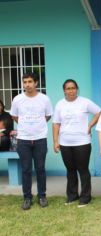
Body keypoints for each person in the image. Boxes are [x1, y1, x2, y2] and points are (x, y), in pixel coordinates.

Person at [52, 79, 101, 207]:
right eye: (68, 88)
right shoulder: (60, 104)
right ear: (64, 91)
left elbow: (99, 112)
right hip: (65, 143)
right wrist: (56, 141)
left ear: (77, 89)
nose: (71, 90)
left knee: (83, 169)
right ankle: (72, 196)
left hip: (82, 142)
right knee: (70, 170)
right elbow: (56, 123)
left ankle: (85, 197)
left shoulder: (84, 102)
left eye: (73, 88)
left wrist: (90, 124)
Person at [10, 73, 53, 210]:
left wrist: (37, 125)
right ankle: (27, 198)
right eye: (25, 82)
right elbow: (15, 116)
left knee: (40, 169)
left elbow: (48, 115)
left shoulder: (44, 99)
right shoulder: (17, 99)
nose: (27, 84)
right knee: (26, 170)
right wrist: (25, 126)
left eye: (30, 82)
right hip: (23, 139)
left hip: (40, 138)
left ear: (36, 83)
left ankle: (42, 196)